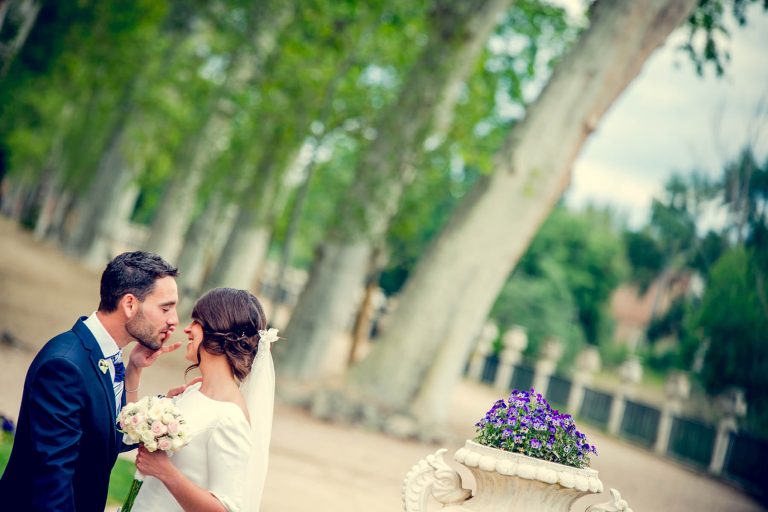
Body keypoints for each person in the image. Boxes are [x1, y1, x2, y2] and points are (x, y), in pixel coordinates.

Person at [0, 251, 181, 511]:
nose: (174, 320)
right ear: (130, 305)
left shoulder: (107, 354)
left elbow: (109, 441)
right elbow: (53, 480)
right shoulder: (64, 367)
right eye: (165, 308)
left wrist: (134, 370)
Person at [131, 287, 277, 512]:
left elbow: (227, 508)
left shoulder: (230, 417)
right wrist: (135, 370)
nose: (187, 329)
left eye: (197, 321)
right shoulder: (194, 390)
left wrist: (165, 471)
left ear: (217, 330)